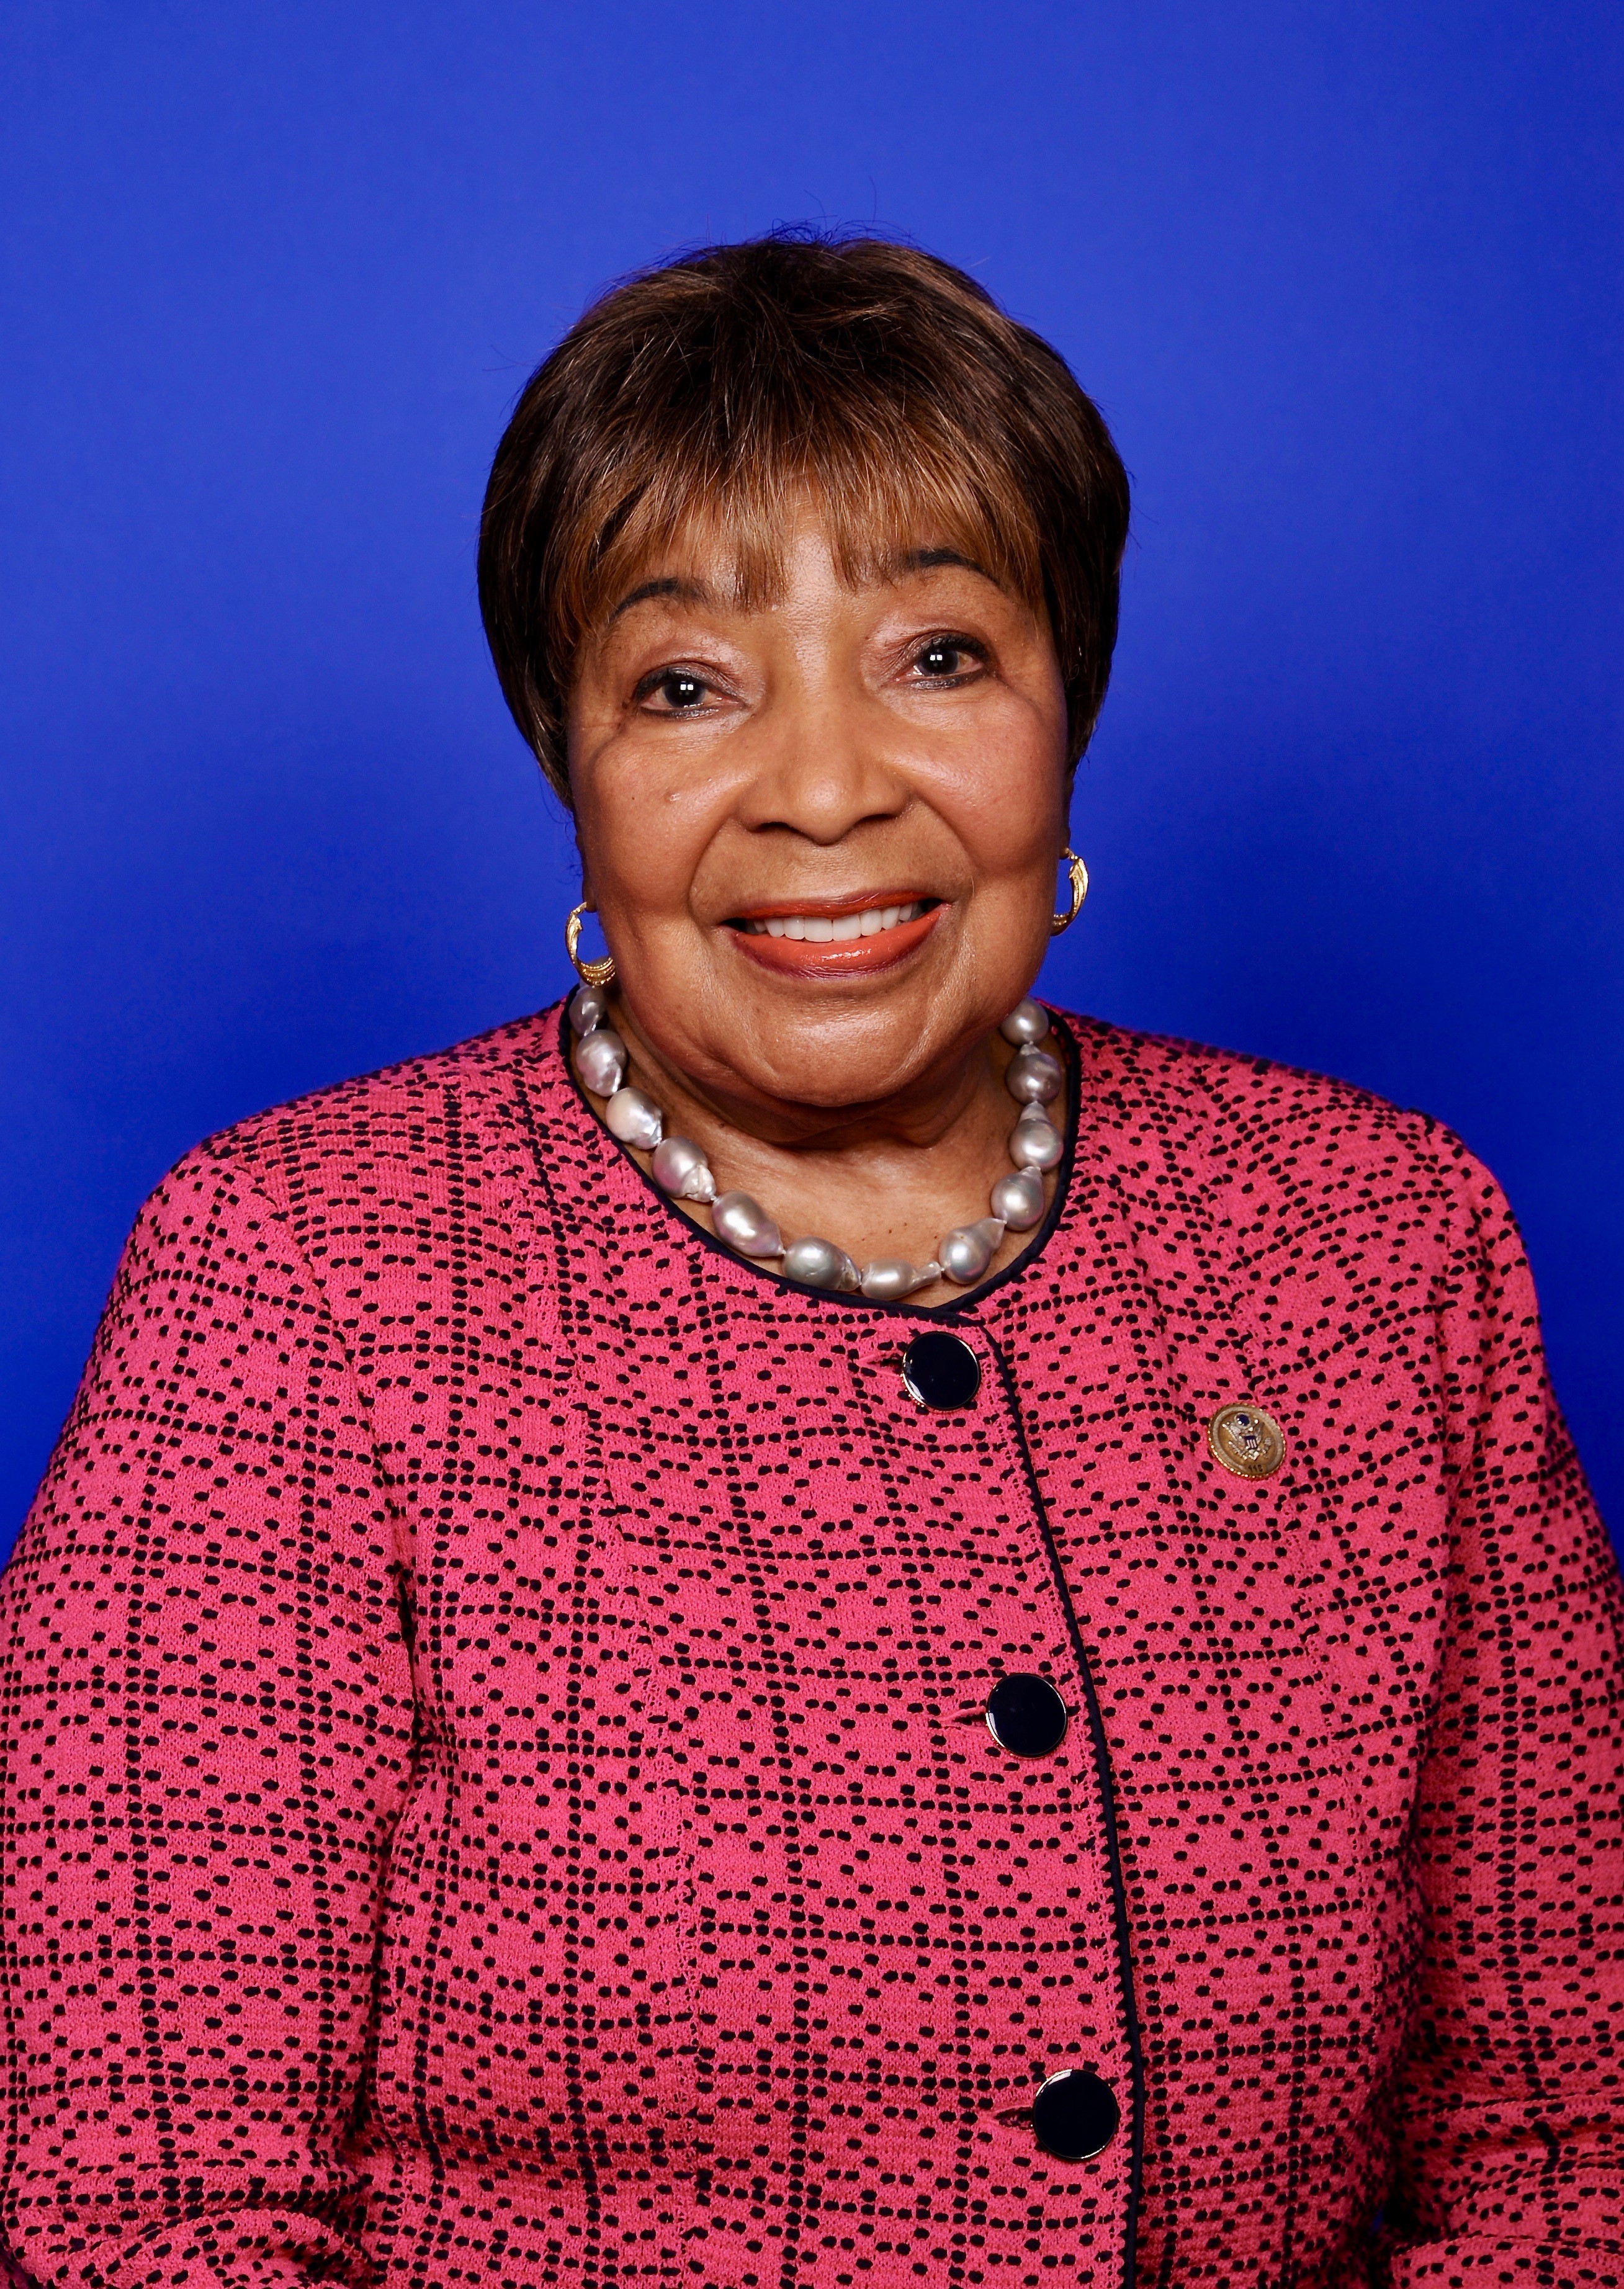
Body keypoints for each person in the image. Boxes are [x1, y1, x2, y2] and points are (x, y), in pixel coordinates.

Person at [1, 231, 1617, 2289]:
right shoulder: (300, 1279)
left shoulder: (1377, 1240)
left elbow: (1571, 2140)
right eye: (683, 685)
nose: (828, 788)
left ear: (1069, 712)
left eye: (938, 654)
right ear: (569, 776)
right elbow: (134, 2215)